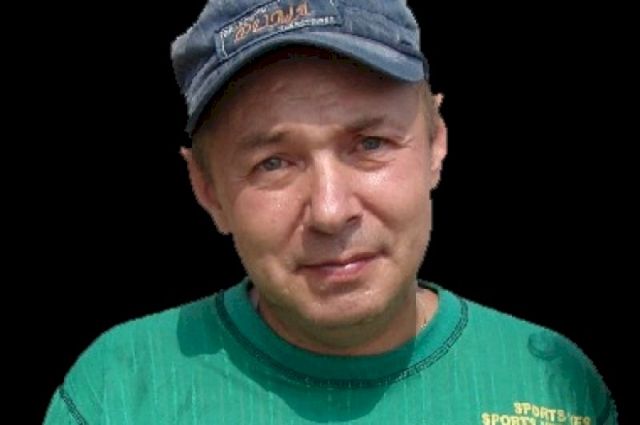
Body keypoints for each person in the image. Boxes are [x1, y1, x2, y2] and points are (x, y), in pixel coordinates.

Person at [43, 1, 618, 424]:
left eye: (370, 144)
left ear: (436, 143)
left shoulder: (553, 382)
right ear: (207, 189)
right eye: (273, 163)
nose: (330, 210)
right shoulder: (122, 388)